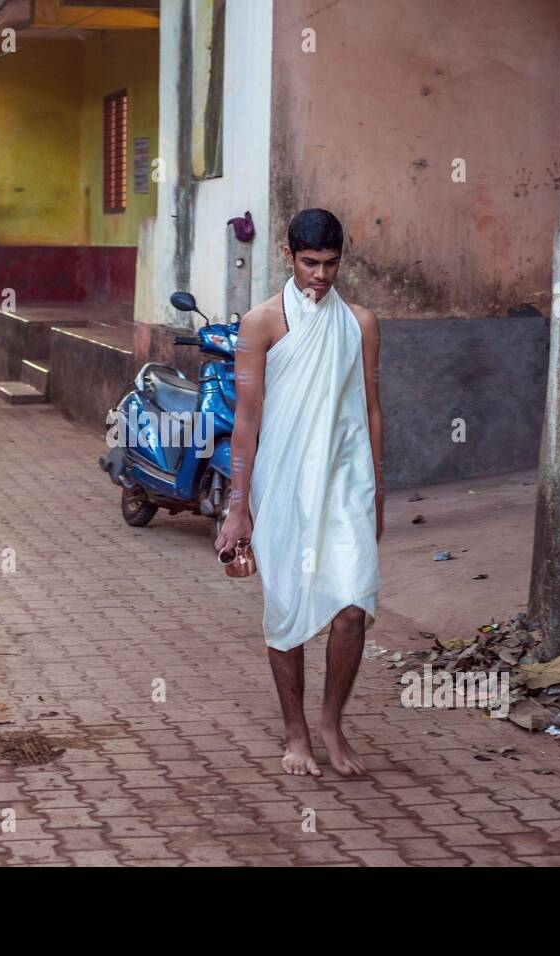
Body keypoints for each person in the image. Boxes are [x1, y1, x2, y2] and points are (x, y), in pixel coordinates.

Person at [214, 208, 384, 778]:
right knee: (286, 608)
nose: (320, 275)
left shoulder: (360, 323)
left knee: (353, 609)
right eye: (309, 263)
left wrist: (378, 491)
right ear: (288, 257)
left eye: (331, 264)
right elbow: (246, 419)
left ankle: (332, 722)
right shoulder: (260, 324)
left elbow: (372, 409)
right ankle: (295, 732)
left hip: (345, 482)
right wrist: (238, 508)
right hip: (283, 483)